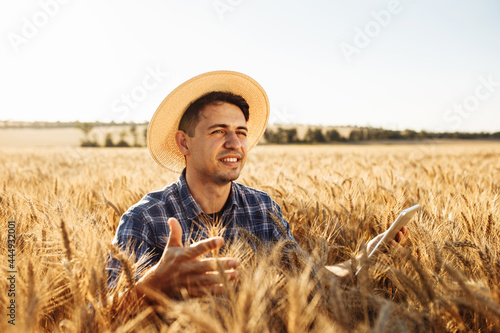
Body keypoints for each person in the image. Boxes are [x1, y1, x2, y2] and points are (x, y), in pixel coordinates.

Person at [106, 70, 407, 300]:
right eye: (218, 131)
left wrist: (365, 257)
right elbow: (100, 318)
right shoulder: (144, 219)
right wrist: (151, 287)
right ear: (184, 142)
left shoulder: (262, 209)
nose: (234, 143)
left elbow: (313, 280)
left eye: (241, 132)